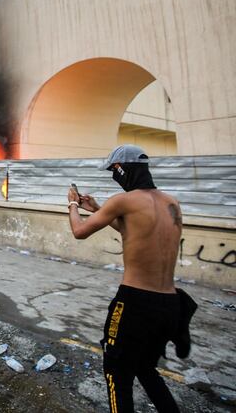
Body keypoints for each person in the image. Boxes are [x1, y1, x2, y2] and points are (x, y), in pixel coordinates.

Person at [67, 145, 197, 413]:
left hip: (135, 304)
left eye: (114, 172)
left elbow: (79, 232)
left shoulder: (123, 200)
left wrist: (72, 204)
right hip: (170, 305)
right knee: (146, 370)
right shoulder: (171, 202)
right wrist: (97, 208)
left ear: (121, 169)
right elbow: (135, 231)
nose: (115, 178)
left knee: (117, 373)